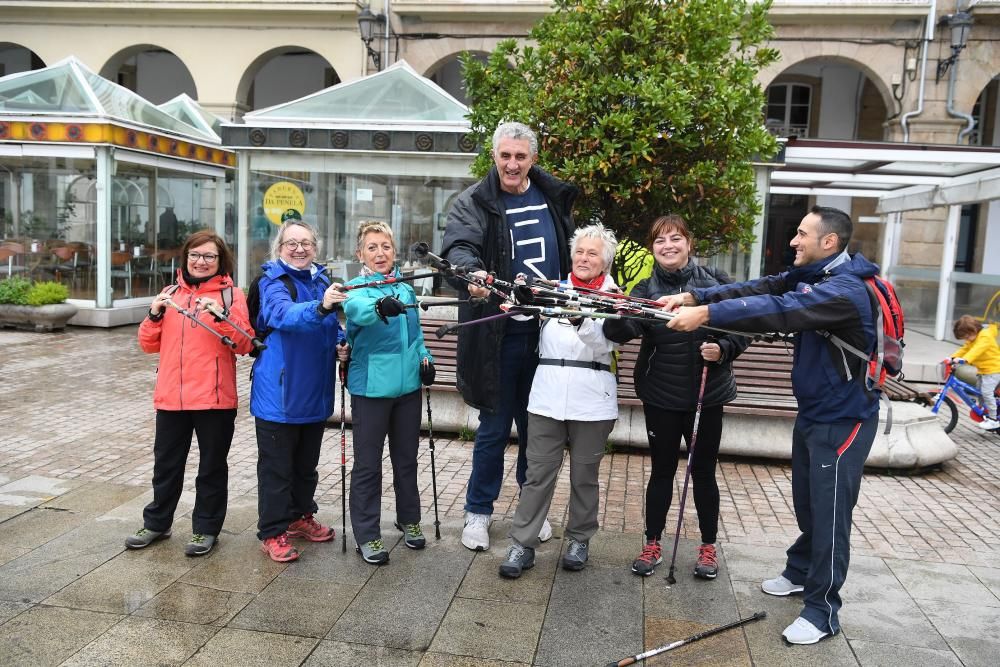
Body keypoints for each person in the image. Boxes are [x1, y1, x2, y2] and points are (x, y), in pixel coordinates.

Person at [664, 205, 881, 645]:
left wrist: (705, 317)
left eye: (802, 234)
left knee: (831, 513)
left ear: (829, 243)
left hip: (845, 419)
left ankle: (823, 611)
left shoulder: (843, 291)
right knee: (808, 501)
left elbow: (778, 309)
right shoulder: (816, 275)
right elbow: (764, 286)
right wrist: (695, 297)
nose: (793, 241)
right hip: (817, 413)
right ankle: (801, 570)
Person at [441, 120, 578, 551]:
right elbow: (458, 250)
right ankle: (477, 514)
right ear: (494, 156)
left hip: (547, 335)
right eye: (505, 155)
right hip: (499, 336)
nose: (512, 164)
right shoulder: (475, 201)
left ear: (532, 159)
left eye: (520, 156)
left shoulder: (552, 197)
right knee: (494, 430)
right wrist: (472, 275)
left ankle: (530, 510)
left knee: (537, 432)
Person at [602, 215, 748, 581]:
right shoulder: (644, 288)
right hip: (661, 395)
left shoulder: (715, 283)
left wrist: (724, 349)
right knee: (661, 471)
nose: (668, 245)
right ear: (652, 248)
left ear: (689, 243)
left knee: (703, 473)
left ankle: (708, 547)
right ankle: (652, 543)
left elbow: (745, 325)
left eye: (675, 238)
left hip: (706, 394)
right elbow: (621, 332)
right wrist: (615, 313)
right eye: (660, 240)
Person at [499, 224, 620, 578]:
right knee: (537, 474)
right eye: (580, 251)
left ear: (605, 262)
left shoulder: (616, 297)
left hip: (592, 399)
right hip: (547, 396)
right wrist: (519, 296)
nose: (584, 258)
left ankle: (580, 538)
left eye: (592, 253)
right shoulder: (551, 289)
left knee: (585, 476)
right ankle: (522, 543)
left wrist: (581, 319)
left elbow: (607, 344)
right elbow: (521, 313)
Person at [128, 231, 254, 557]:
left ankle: (206, 529)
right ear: (185, 258)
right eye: (195, 255)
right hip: (171, 397)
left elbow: (245, 343)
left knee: (211, 468)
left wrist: (221, 317)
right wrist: (155, 313)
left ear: (220, 260)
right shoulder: (170, 293)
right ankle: (157, 523)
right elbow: (147, 343)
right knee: (166, 467)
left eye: (209, 256)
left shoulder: (231, 295)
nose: (201, 261)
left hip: (214, 399)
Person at [251, 218, 348, 563]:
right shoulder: (273, 282)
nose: (299, 248)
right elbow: (283, 315)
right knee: (276, 469)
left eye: (306, 242)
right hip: (279, 395)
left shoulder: (320, 279)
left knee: (306, 466)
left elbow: (329, 325)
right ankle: (272, 531)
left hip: (315, 394)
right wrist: (321, 305)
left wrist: (341, 342)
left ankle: (298, 517)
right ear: (280, 249)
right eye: (292, 243)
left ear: (315, 248)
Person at [341, 221, 434, 565]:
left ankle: (409, 519)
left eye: (386, 247)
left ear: (394, 251)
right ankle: (367, 533)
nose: (380, 253)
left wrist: (426, 358)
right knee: (368, 465)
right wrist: (380, 307)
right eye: (372, 247)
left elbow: (416, 335)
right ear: (360, 253)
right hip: (370, 389)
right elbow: (358, 312)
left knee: (406, 460)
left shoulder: (406, 288)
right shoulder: (355, 289)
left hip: (407, 387)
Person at [950, 315, 1000, 430]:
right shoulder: (973, 338)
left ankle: (993, 420)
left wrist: (965, 359)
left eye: (967, 336)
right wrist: (952, 358)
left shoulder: (985, 336)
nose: (966, 339)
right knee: (979, 391)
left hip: (994, 370)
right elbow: (965, 349)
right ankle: (985, 415)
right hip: (984, 370)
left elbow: (976, 351)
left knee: (986, 392)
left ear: (973, 330)